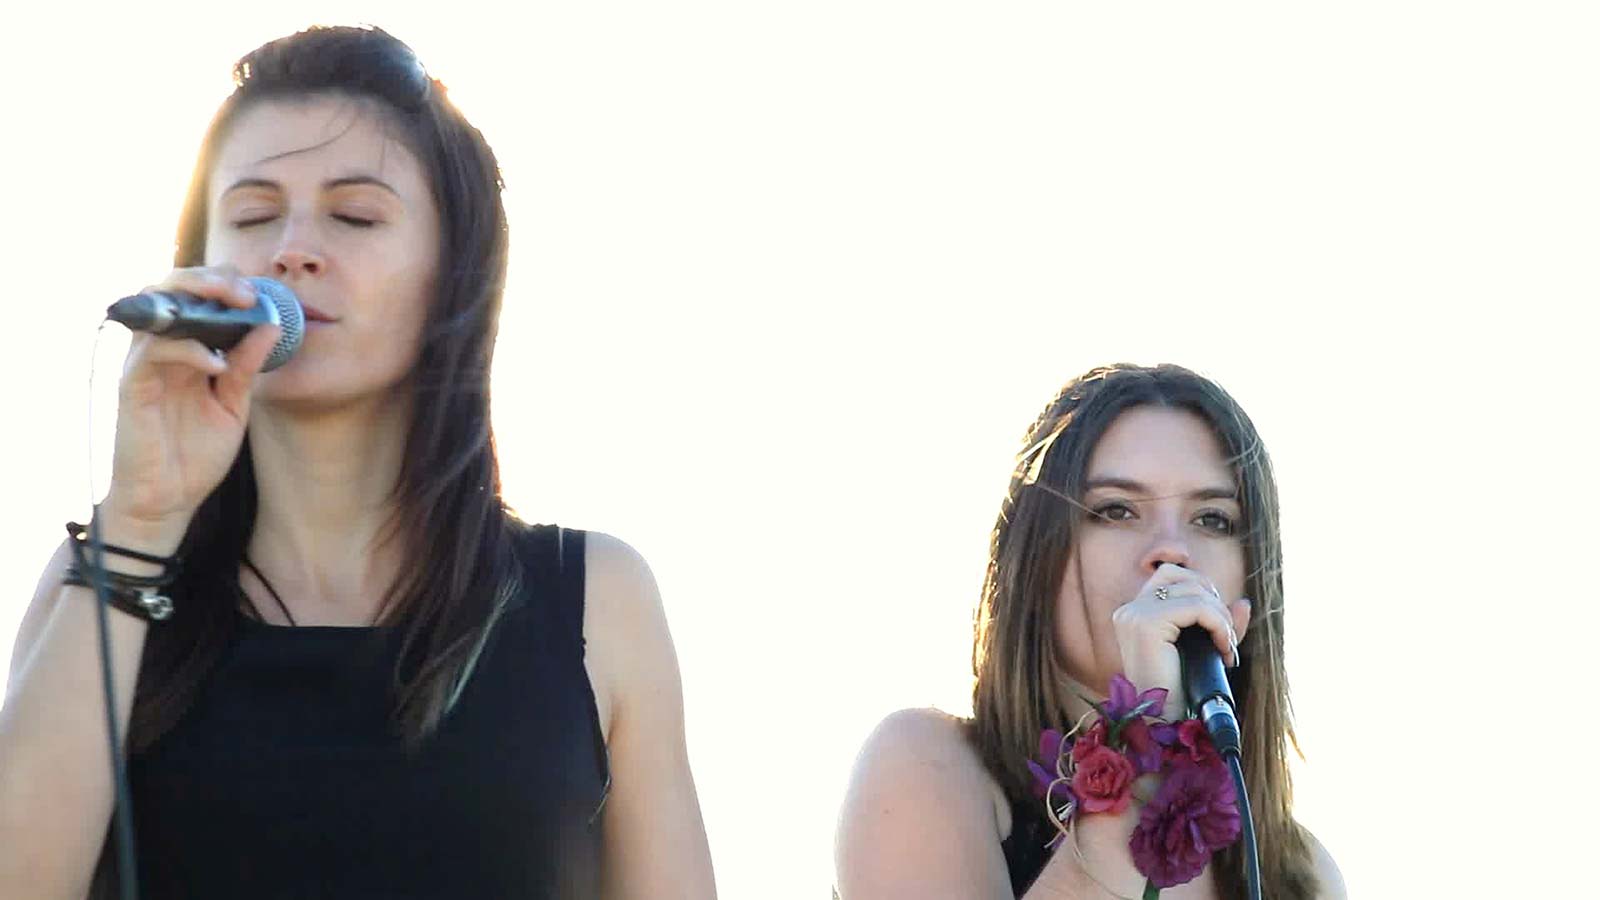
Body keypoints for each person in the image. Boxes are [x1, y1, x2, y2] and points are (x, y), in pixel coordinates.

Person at [0, 25, 715, 899]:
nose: (292, 249)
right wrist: (142, 520)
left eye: (355, 216)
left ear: (453, 272)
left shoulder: (597, 597)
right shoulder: (102, 576)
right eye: (253, 216)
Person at [834, 364, 1346, 898]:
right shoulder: (925, 763)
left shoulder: (1302, 869)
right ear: (1037, 559)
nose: (1172, 551)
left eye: (1213, 519)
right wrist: (1146, 736)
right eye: (1116, 511)